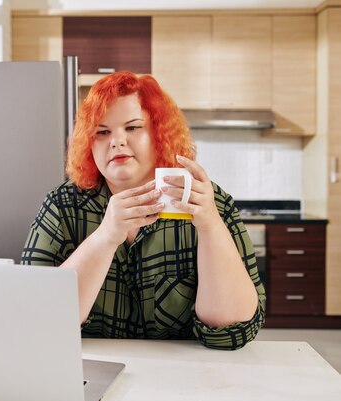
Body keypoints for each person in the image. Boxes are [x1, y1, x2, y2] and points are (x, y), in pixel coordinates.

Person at [21, 71, 265, 350]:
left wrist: (210, 224)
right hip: (88, 374)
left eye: (133, 127)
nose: (117, 141)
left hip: (189, 379)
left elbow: (231, 333)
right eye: (102, 132)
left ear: (160, 133)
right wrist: (106, 237)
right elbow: (34, 320)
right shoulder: (62, 206)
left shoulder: (209, 201)